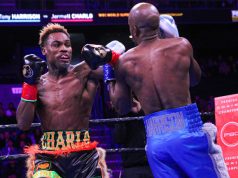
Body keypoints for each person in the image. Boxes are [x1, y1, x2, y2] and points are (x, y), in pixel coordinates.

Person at [81, 2, 229, 178]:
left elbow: (122, 107)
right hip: (188, 131)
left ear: (134, 29)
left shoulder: (125, 62)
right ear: (157, 25)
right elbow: (195, 80)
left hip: (156, 141)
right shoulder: (181, 45)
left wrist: (109, 67)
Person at [16, 23, 107, 178]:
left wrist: (107, 54)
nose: (64, 49)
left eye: (67, 45)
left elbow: (122, 66)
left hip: (83, 154)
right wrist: (29, 84)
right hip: (49, 155)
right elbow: (23, 124)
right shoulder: (37, 84)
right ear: (44, 50)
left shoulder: (84, 72)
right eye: (56, 45)